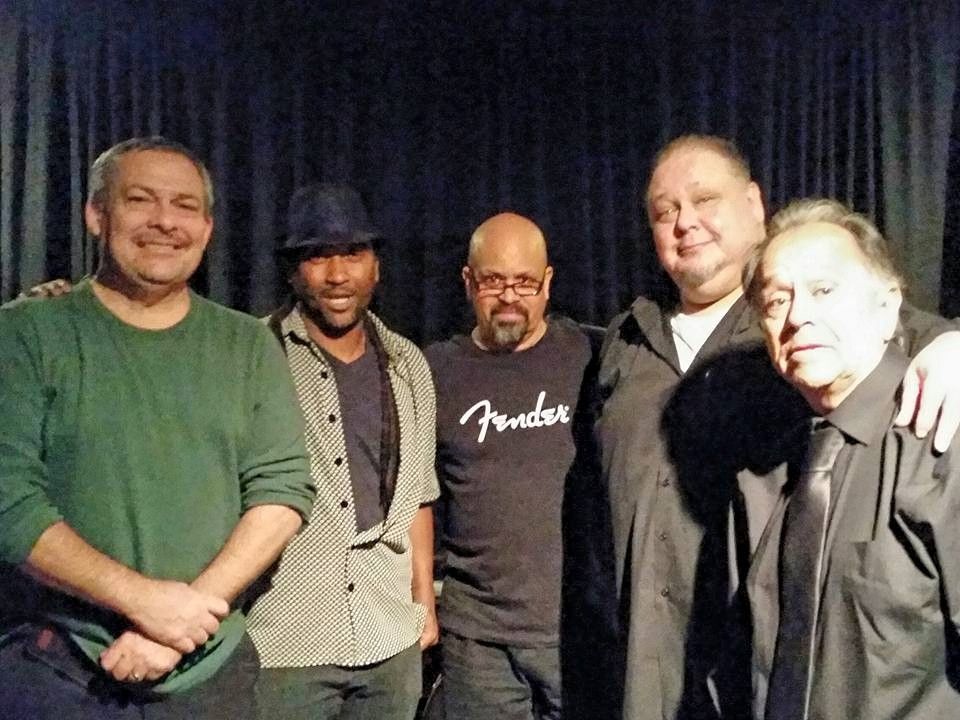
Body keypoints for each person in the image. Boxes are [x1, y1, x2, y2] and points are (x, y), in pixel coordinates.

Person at [597, 134, 960, 720]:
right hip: (661, 676)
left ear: (753, 203)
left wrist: (955, 344)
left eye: (704, 199)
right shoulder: (624, 343)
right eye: (665, 212)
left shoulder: (928, 424)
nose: (684, 221)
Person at [0, 136, 315, 719]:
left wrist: (183, 622)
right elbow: (9, 502)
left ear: (207, 228)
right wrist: (145, 603)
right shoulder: (25, 334)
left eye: (185, 205)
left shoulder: (248, 344)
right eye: (140, 200)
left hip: (210, 669)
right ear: (97, 214)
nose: (165, 221)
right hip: (57, 667)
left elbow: (282, 490)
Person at [740, 198, 960, 720]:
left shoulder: (944, 433)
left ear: (887, 307)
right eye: (776, 301)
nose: (798, 317)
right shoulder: (765, 468)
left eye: (824, 290)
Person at [246, 183, 440, 720]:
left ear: (376, 267)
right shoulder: (255, 356)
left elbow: (420, 497)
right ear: (293, 272)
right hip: (286, 640)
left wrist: (423, 602)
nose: (337, 275)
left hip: (388, 637)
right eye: (318, 256)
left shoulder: (408, 364)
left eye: (352, 254)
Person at [426, 212, 613, 720]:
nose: (509, 296)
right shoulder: (434, 370)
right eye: (493, 281)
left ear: (547, 283)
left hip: (575, 631)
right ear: (468, 282)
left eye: (524, 282)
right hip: (477, 640)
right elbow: (413, 498)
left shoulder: (593, 356)